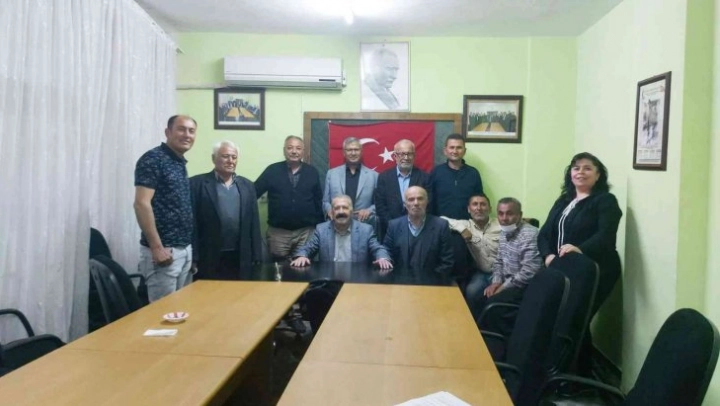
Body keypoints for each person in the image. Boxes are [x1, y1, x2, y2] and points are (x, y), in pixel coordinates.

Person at [538, 152, 622, 375]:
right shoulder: (564, 201)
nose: (580, 172)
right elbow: (544, 233)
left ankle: (577, 376)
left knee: (577, 318)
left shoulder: (605, 201)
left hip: (596, 269)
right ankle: (569, 371)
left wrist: (580, 249)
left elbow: (606, 235)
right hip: (564, 268)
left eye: (587, 168)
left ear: (598, 175)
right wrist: (547, 255)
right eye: (576, 168)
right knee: (565, 318)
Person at [133, 115, 196, 302]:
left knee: (180, 311)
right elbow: (141, 203)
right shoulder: (153, 159)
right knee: (163, 314)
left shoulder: (178, 162)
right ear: (168, 132)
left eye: (191, 131)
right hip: (164, 252)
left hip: (183, 249)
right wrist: (157, 247)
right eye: (181, 129)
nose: (187, 135)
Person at [190, 140, 262, 280]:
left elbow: (254, 223)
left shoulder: (247, 185)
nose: (230, 161)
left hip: (240, 255)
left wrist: (257, 255)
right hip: (209, 255)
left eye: (234, 157)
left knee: (239, 292)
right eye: (225, 156)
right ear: (213, 158)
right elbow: (192, 223)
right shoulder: (196, 184)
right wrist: (194, 256)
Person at [477, 198, 542, 338]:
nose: (504, 218)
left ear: (520, 215)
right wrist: (496, 282)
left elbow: (529, 272)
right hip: (507, 282)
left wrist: (502, 287)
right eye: (500, 213)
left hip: (524, 287)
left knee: (494, 304)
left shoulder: (530, 235)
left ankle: (499, 342)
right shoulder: (504, 231)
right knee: (479, 295)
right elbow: (499, 261)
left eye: (509, 213)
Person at [255, 136, 324, 261]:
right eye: (290, 148)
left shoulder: (312, 172)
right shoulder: (272, 170)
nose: (294, 151)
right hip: (278, 233)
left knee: (304, 265)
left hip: (306, 232)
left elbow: (318, 200)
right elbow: (253, 192)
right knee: (278, 268)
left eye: (298, 148)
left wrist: (320, 228)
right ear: (284, 150)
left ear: (303, 151)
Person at [290, 195, 392, 269]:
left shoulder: (365, 230)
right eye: (337, 208)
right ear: (332, 212)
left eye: (345, 208)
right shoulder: (322, 229)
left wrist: (382, 258)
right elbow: (308, 248)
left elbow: (378, 248)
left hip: (357, 279)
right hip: (329, 279)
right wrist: (302, 256)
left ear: (351, 212)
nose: (341, 212)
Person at [441, 194, 501, 319]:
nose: (478, 208)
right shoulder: (465, 225)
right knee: (472, 291)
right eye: (475, 204)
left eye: (483, 204)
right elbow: (441, 219)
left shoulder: (501, 224)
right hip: (481, 273)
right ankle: (475, 324)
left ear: (490, 209)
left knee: (500, 295)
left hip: (504, 272)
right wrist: (462, 229)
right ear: (469, 209)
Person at [383, 186, 454, 275]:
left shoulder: (441, 226)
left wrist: (430, 280)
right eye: (411, 199)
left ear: (427, 201)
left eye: (420, 199)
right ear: (405, 204)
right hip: (400, 280)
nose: (416, 203)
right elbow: (386, 255)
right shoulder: (394, 226)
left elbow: (447, 262)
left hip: (432, 281)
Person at [374, 139, 431, 238]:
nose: (406, 157)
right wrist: (394, 227)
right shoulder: (384, 178)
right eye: (402, 154)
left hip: (418, 231)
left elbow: (429, 205)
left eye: (409, 154)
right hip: (390, 231)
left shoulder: (425, 178)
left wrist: (415, 225)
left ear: (414, 156)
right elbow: (380, 206)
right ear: (395, 156)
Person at [322, 137, 378, 225]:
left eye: (356, 150)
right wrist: (329, 210)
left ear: (361, 152)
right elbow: (325, 201)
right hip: (337, 222)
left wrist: (369, 210)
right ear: (344, 153)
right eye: (349, 150)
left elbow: (378, 203)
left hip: (363, 223)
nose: (353, 153)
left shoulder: (374, 176)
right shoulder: (332, 174)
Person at [430, 134, 484, 219]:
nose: (455, 151)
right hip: (441, 223)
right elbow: (430, 200)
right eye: (452, 147)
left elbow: (479, 201)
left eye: (459, 147)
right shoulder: (436, 172)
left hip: (467, 223)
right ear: (445, 150)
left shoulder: (473, 173)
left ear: (464, 151)